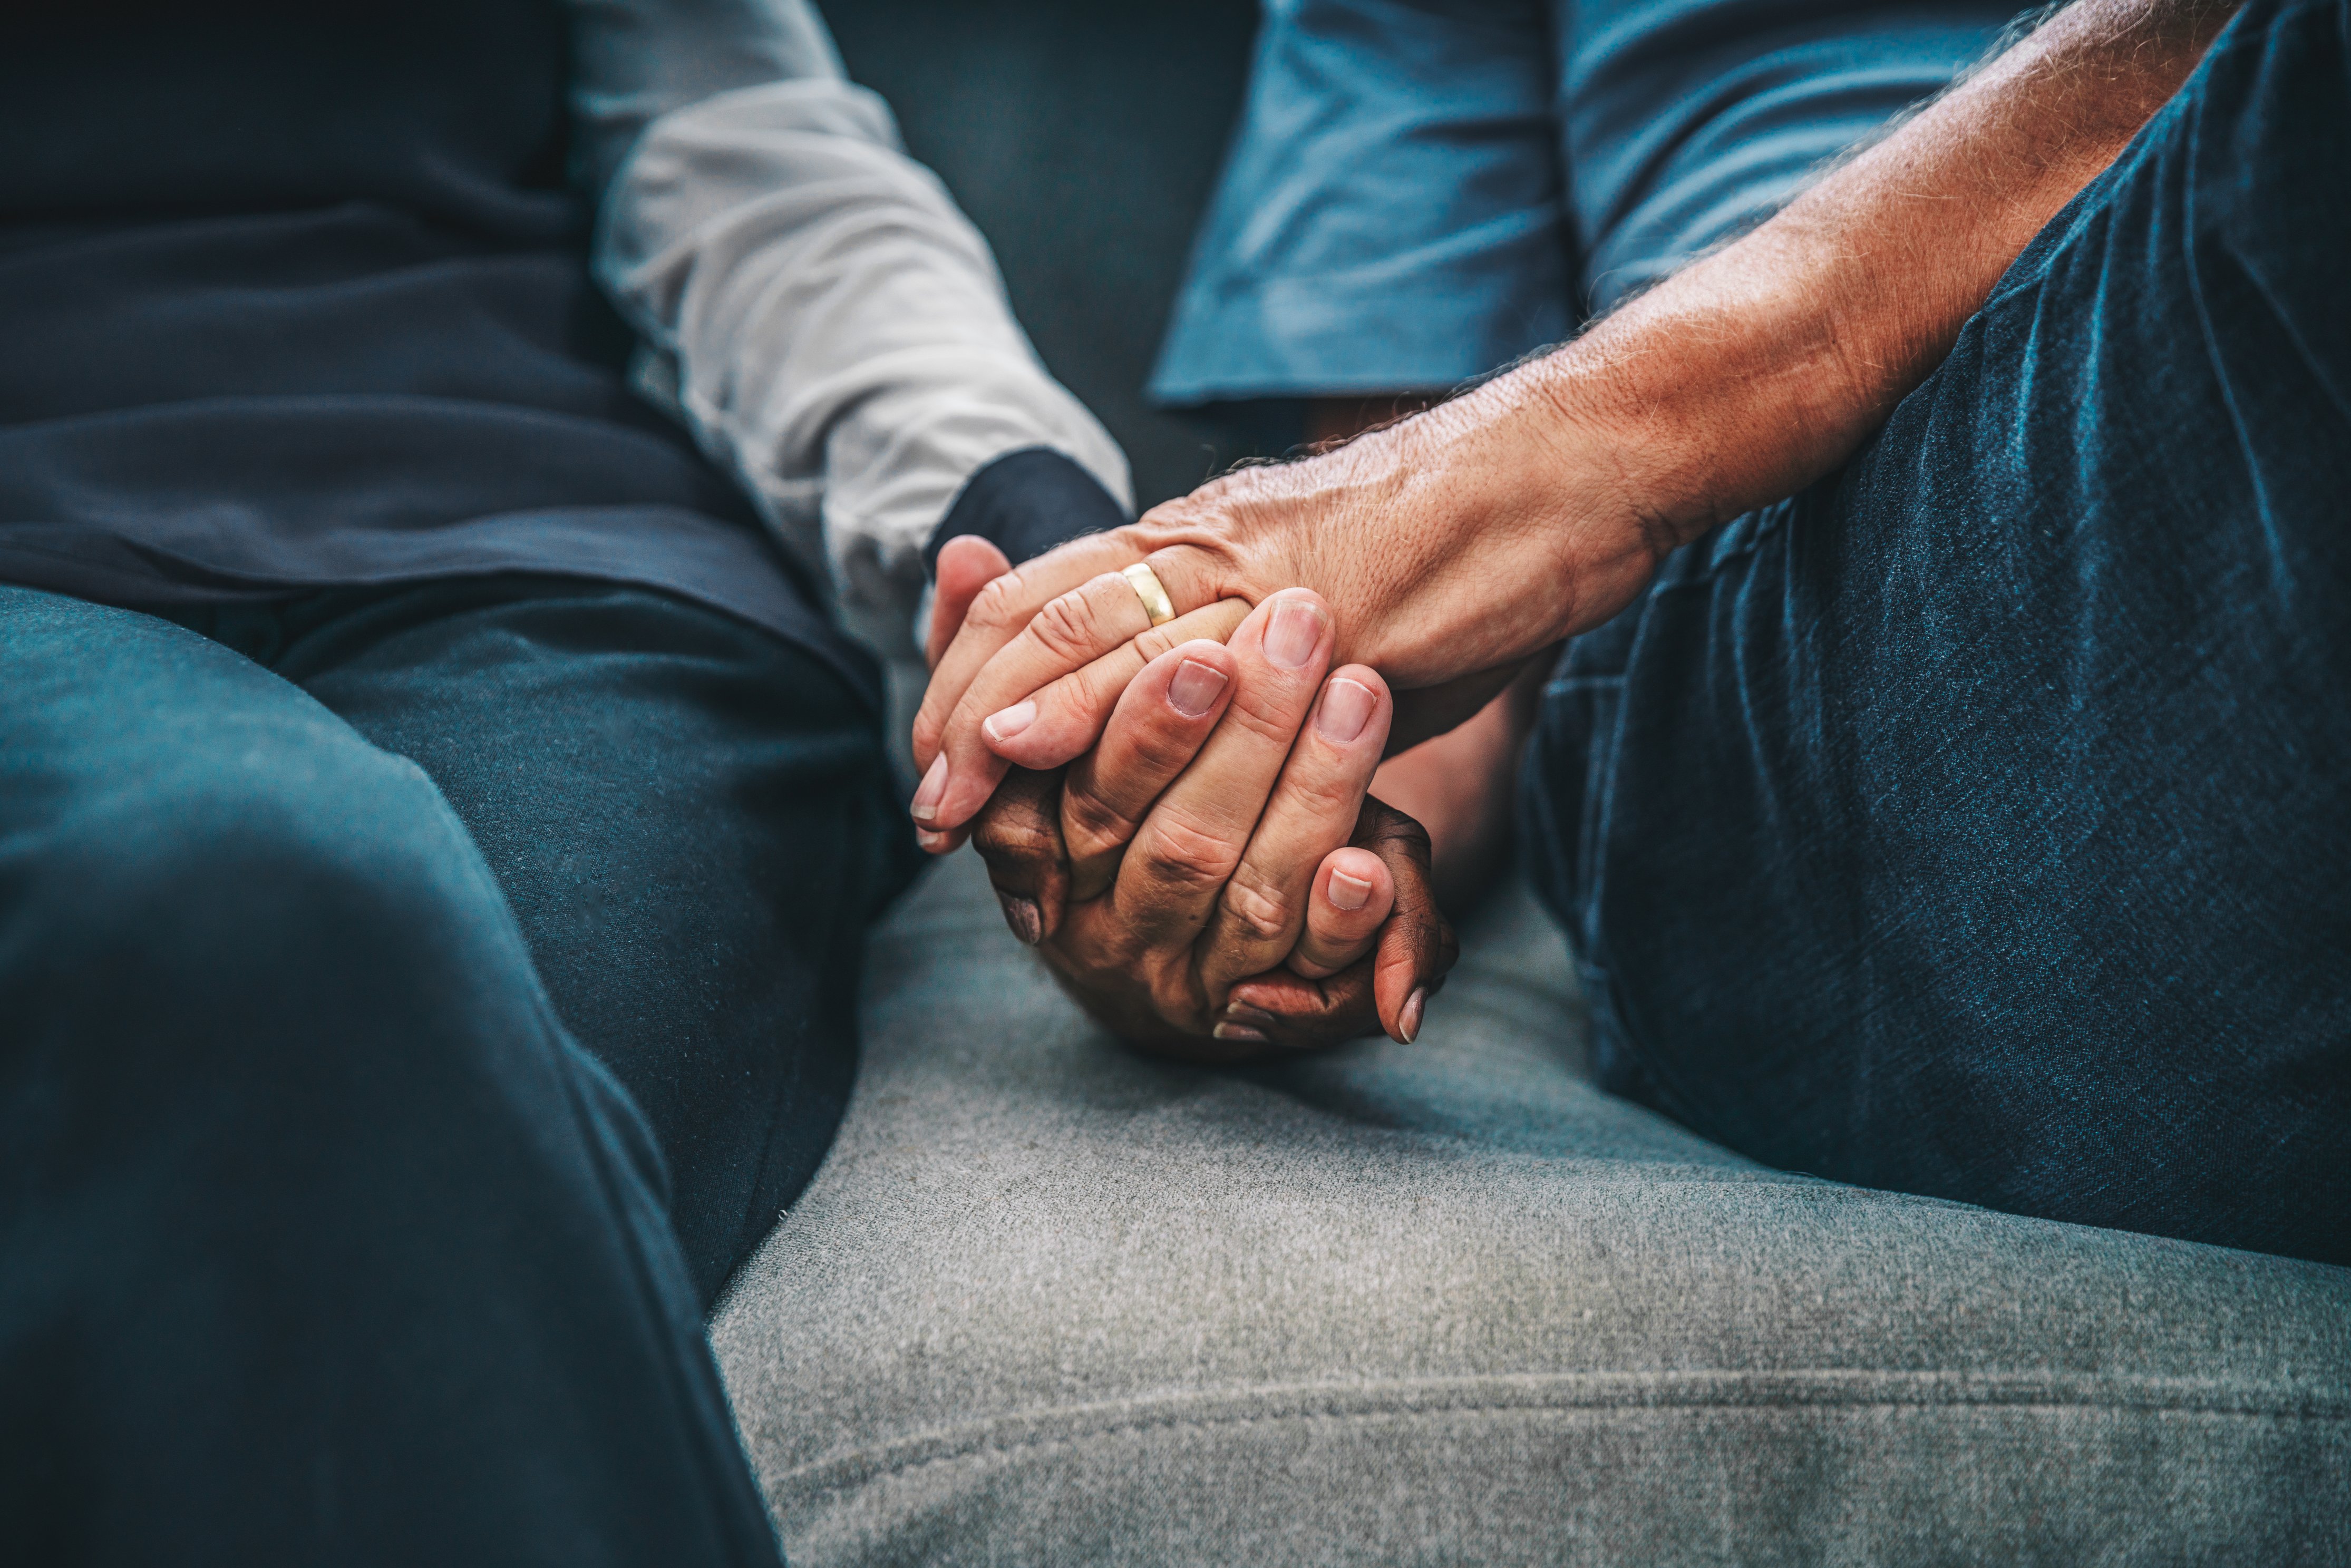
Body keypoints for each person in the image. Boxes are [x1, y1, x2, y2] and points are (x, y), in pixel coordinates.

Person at [0, 1, 1285, 1561]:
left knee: (402, 1130)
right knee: (247, 898)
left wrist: (1052, 551)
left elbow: (748, 175)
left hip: (571, 581)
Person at [914, 0, 2351, 1268]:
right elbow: (1393, 635)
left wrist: (1612, 438)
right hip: (1799, 619)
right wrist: (1230, 827)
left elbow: (1457, 510)